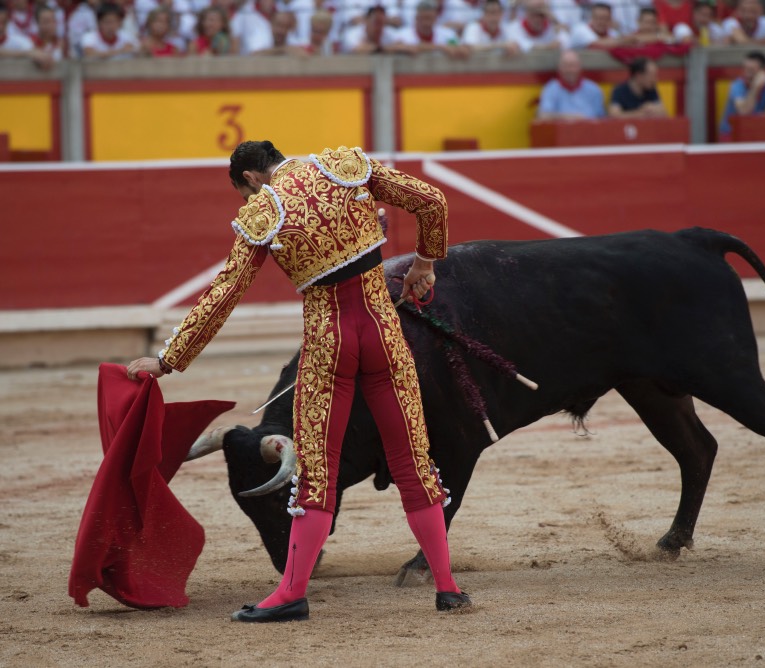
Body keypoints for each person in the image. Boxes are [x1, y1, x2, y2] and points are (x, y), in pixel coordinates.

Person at [125, 141, 472, 623]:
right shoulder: (342, 167)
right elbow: (432, 201)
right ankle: (448, 588)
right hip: (383, 333)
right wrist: (425, 262)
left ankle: (292, 593)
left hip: (329, 343)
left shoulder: (265, 208)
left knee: (318, 473)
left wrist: (167, 360)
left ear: (250, 177)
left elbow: (224, 292)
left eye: (242, 191)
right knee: (413, 461)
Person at [719, 50, 765, 137]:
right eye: (745, 69)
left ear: (763, 71)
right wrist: (755, 87)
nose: (746, 74)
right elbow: (744, 113)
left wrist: (760, 120)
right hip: (731, 133)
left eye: (751, 70)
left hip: (755, 130)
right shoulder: (737, 85)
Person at [536, 49, 606, 120]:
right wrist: (570, 118)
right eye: (566, 65)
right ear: (560, 68)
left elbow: (601, 119)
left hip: (589, 130)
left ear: (579, 67)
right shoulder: (551, 89)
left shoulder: (594, 89)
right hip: (561, 130)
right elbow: (543, 116)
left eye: (572, 65)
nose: (569, 70)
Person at [385, 0, 467, 58]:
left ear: (435, 18)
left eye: (429, 18)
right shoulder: (403, 35)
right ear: (416, 18)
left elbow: (461, 49)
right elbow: (387, 49)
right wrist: (441, 47)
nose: (426, 23)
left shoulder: (448, 35)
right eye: (423, 18)